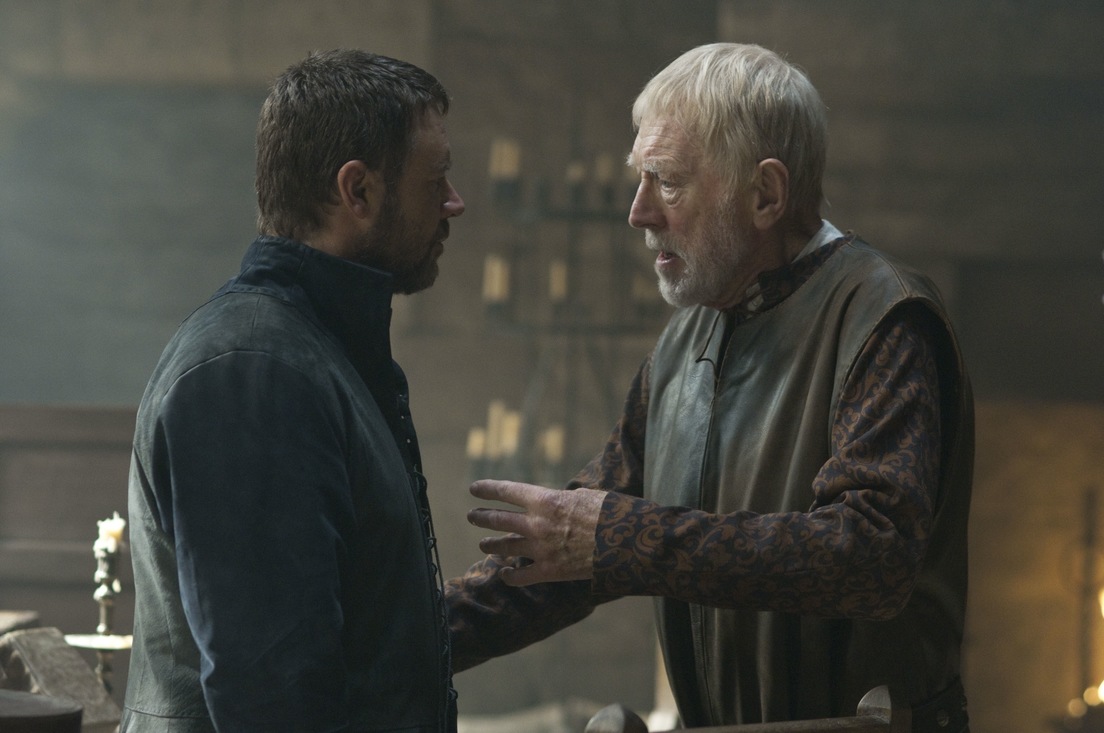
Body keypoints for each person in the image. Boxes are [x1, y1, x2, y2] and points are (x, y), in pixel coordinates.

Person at [449, 42, 973, 733]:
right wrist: (395, 643)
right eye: (640, 179)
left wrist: (624, 537)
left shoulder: (882, 319)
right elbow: (568, 549)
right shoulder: (681, 346)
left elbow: (870, 556)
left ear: (765, 195)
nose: (639, 212)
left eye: (666, 182)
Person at [121, 50, 465, 732]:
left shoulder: (315, 353)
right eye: (436, 181)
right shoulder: (255, 370)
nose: (455, 202)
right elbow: (272, 697)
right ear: (357, 192)